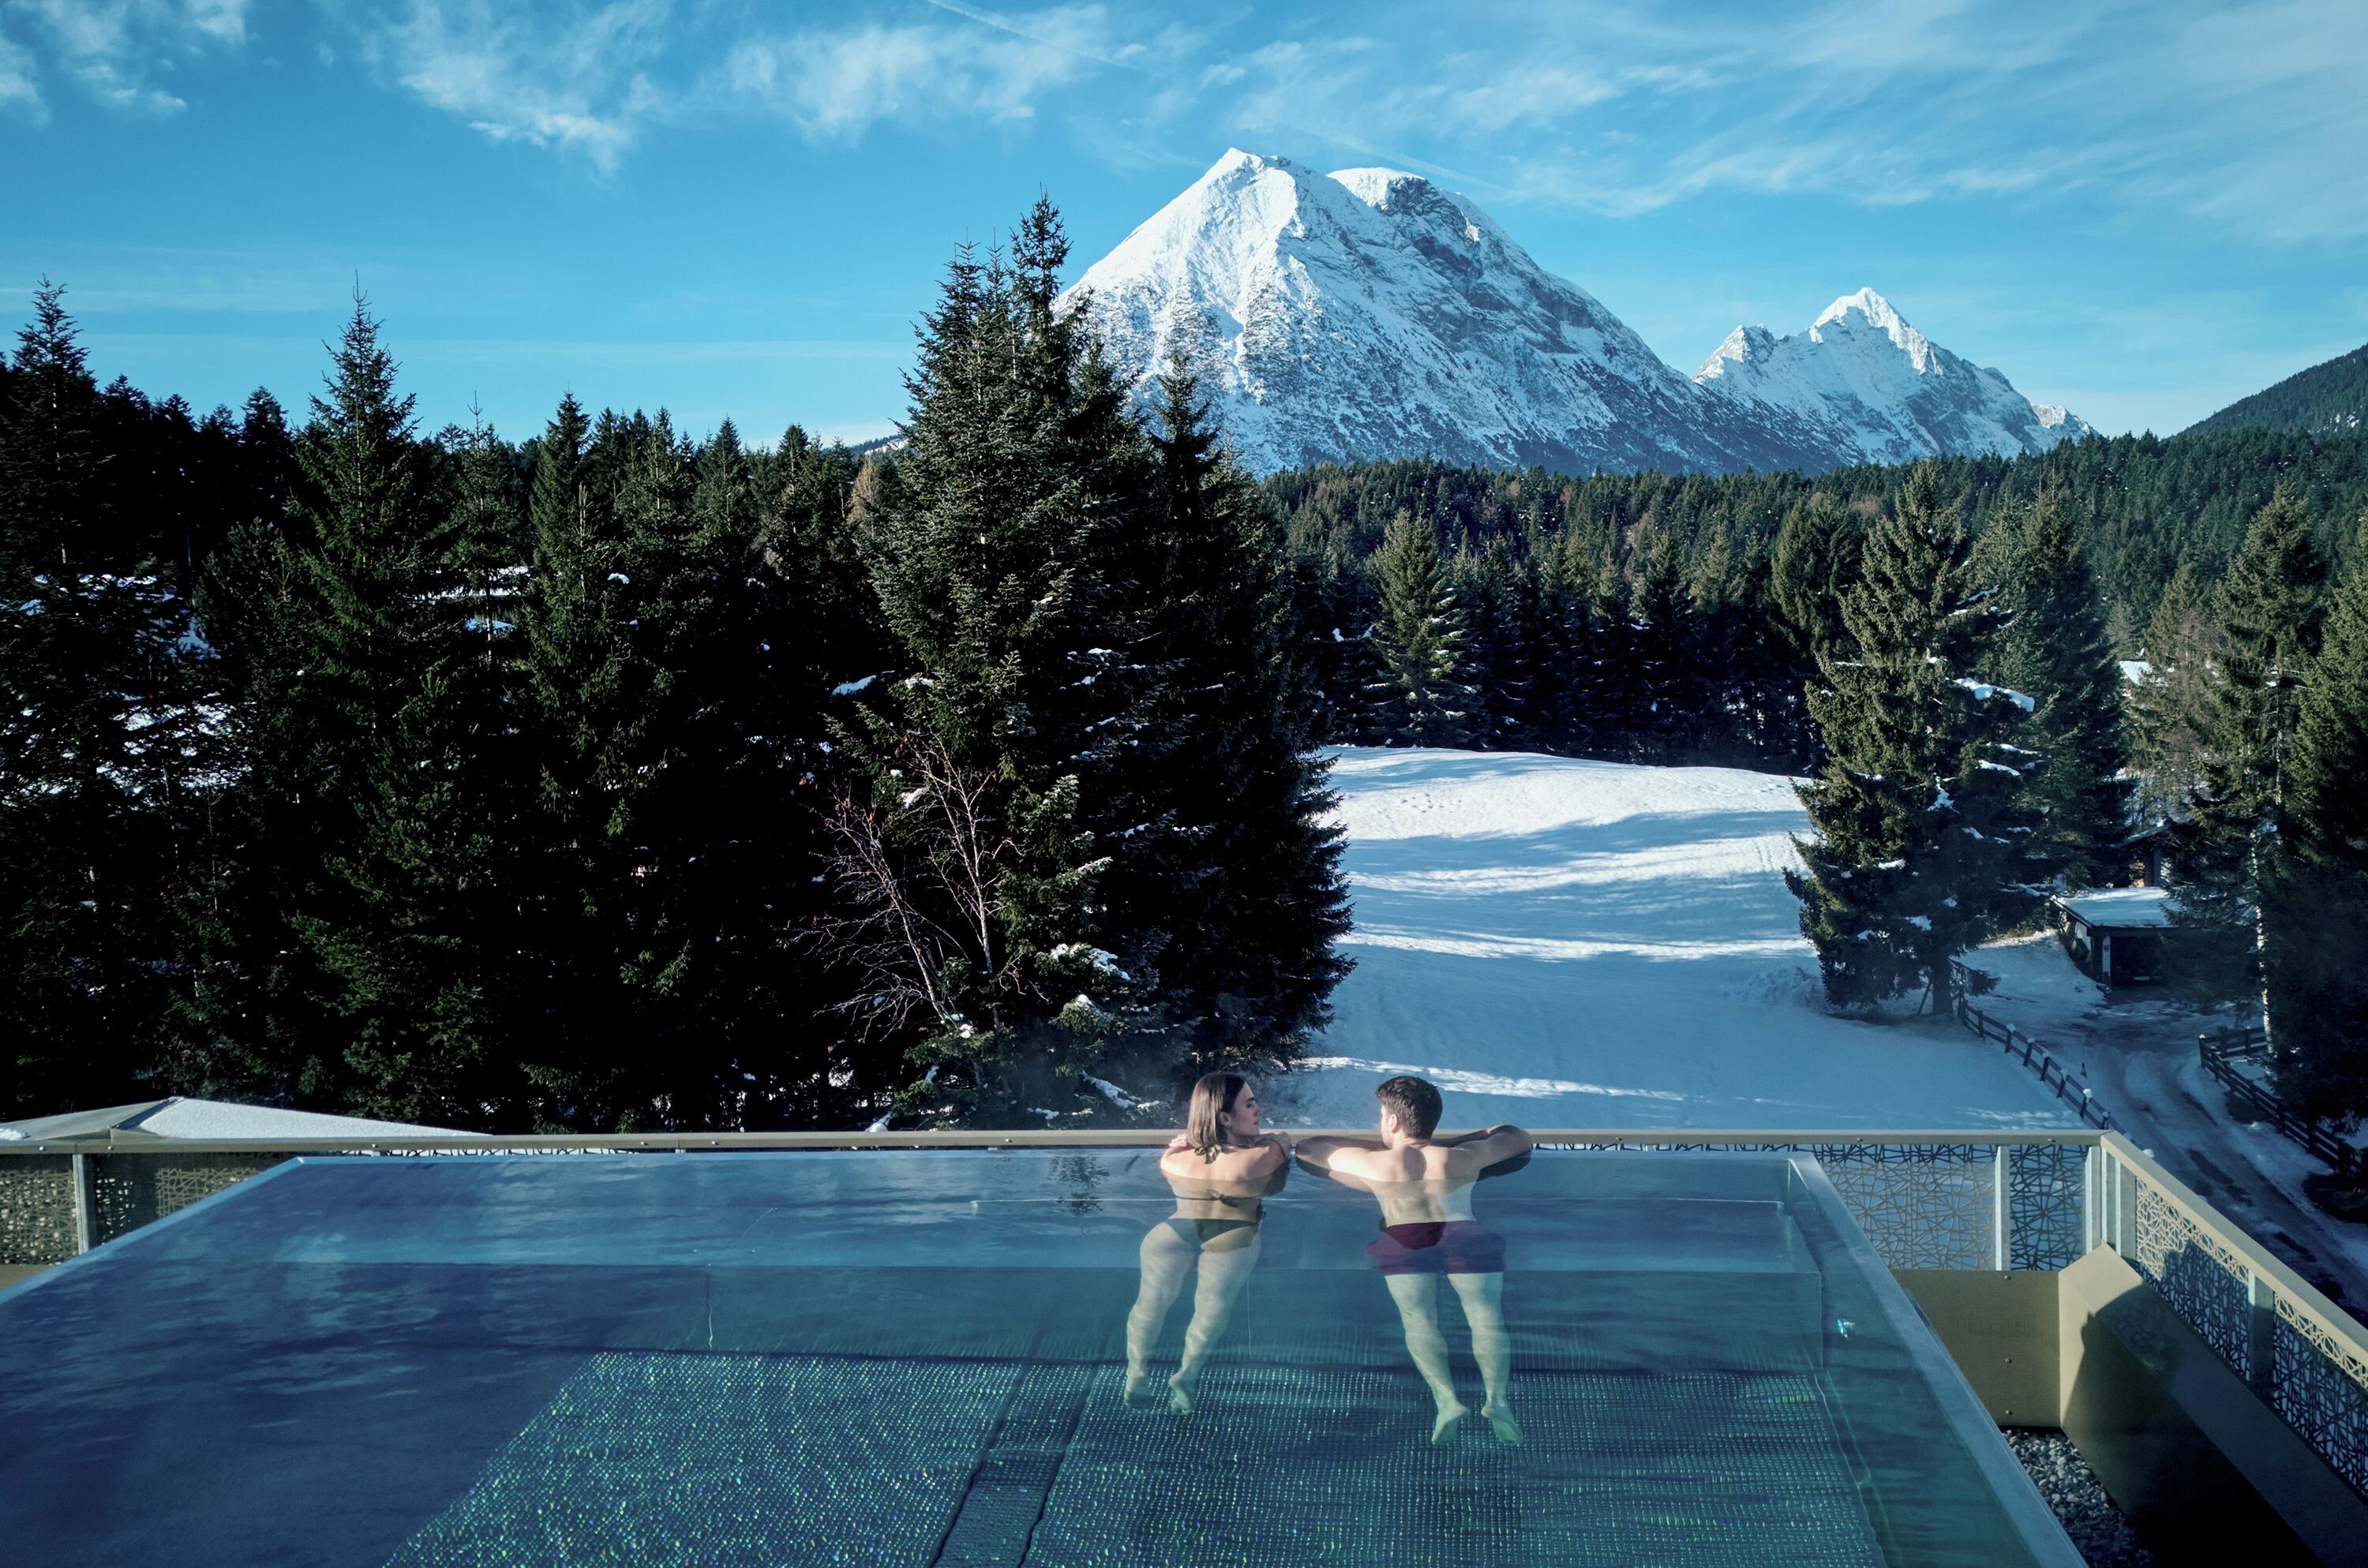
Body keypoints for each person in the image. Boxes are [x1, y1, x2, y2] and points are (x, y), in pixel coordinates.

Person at [1297, 1076, 1533, 1445]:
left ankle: (1447, 1400)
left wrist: (1384, 1147)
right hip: (1463, 1232)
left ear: (1391, 1121)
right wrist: (1453, 1141)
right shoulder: (1462, 1157)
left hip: (1404, 1238)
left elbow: (1310, 1149)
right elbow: (1516, 1136)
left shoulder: (1373, 1163)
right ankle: (1497, 1401)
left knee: (1419, 1319)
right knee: (1486, 1315)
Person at [1124, 1072, 1291, 1413]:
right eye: (1250, 1103)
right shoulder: (1256, 1160)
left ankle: (1136, 1373)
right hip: (1232, 1236)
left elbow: (1189, 1150)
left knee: (1150, 1305)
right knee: (1211, 1309)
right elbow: (1282, 1140)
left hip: (1173, 1232)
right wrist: (1268, 1139)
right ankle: (1185, 1377)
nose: (1258, 1109)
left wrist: (1189, 1141)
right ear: (1226, 1118)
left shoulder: (1173, 1158)